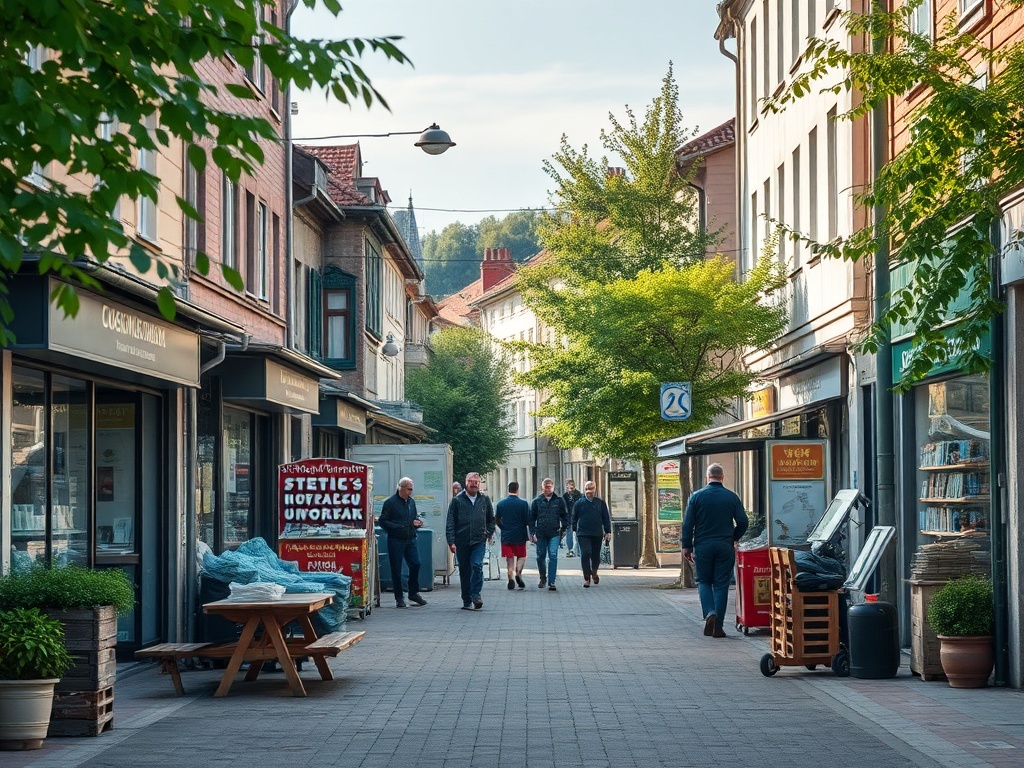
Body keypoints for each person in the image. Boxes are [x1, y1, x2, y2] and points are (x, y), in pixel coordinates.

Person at [681, 463, 748, 638]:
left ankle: (710, 612)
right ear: (722, 477)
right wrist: (733, 537)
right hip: (724, 546)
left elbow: (688, 524)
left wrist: (687, 546)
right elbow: (743, 521)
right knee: (721, 585)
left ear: (707, 477)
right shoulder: (731, 497)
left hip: (703, 546)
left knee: (703, 581)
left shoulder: (696, 497)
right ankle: (718, 626)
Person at [446, 472, 495, 610]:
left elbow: (491, 519)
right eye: (471, 481)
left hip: (479, 540)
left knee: (477, 565)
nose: (474, 483)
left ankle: (476, 595)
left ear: (479, 484)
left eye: (476, 481)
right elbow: (450, 521)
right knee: (465, 570)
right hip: (462, 541)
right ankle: (466, 599)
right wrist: (451, 540)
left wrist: (489, 532)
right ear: (466, 482)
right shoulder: (457, 500)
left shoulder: (484, 500)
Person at [377, 477, 427, 608]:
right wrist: (396, 528)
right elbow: (383, 521)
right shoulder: (390, 503)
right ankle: (399, 597)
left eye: (412, 489)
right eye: (409, 489)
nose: (411, 492)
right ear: (402, 488)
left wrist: (416, 523)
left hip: (410, 538)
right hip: (396, 540)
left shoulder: (411, 502)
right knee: (396, 569)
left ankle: (413, 593)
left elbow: (413, 518)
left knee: (416, 564)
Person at [529, 477, 568, 591]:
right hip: (541, 533)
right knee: (540, 556)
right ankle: (542, 577)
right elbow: (532, 518)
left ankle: (552, 581)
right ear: (542, 488)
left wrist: (564, 528)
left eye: (550, 486)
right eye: (546, 486)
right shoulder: (537, 501)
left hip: (554, 532)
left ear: (553, 487)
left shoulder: (559, 501)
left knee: (553, 555)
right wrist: (532, 532)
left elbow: (564, 515)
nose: (548, 488)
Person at [571, 480, 611, 588]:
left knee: (595, 555)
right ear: (584, 490)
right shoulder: (579, 503)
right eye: (587, 490)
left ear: (595, 490)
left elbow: (605, 518)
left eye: (591, 490)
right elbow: (574, 517)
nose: (589, 492)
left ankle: (594, 572)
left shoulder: (600, 503)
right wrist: (574, 529)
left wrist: (608, 531)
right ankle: (586, 577)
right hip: (583, 533)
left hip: (597, 532)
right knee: (585, 553)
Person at [495, 481, 531, 590]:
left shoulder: (501, 504)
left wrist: (503, 527)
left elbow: (496, 519)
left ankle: (510, 576)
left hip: (506, 534)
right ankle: (518, 573)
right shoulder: (524, 504)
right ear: (517, 489)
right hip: (520, 534)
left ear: (508, 489)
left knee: (509, 557)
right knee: (521, 556)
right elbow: (528, 520)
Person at [562, 479, 582, 557]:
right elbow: (564, 507)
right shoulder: (565, 496)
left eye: (571, 484)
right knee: (569, 533)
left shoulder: (578, 494)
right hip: (569, 517)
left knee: (578, 534)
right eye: (567, 484)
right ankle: (570, 550)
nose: (569, 486)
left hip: (577, 516)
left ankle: (579, 551)